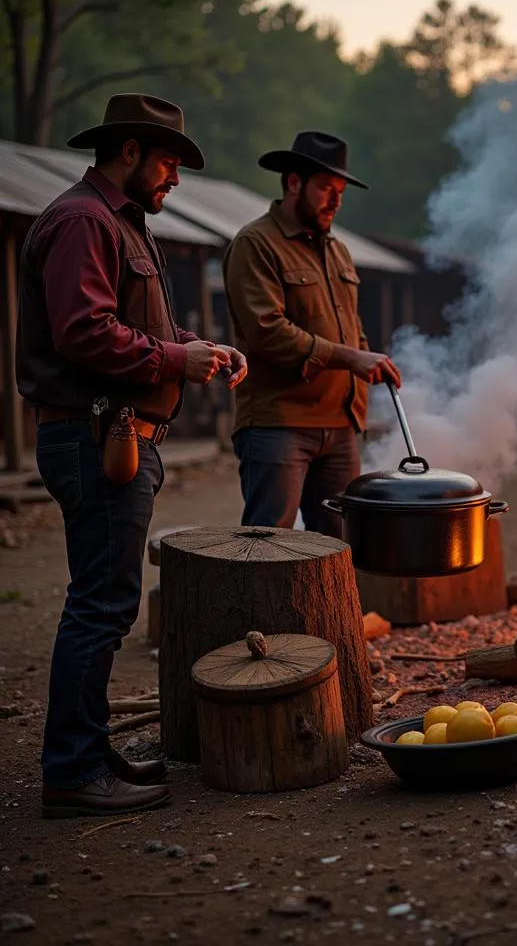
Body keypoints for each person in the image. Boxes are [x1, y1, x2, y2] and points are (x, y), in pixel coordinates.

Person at [16, 93, 248, 817]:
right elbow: (85, 332)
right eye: (169, 162)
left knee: (103, 602)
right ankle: (73, 771)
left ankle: (86, 753)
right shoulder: (86, 220)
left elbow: (135, 325)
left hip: (110, 433)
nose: (175, 178)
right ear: (129, 152)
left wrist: (200, 352)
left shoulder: (122, 225)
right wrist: (179, 358)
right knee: (100, 606)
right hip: (96, 435)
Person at [222, 131, 400, 536]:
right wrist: (352, 358)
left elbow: (352, 327)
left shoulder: (337, 249)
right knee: (270, 542)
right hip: (278, 423)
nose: (335, 201)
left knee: (337, 550)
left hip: (340, 426)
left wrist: (370, 359)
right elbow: (268, 331)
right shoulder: (256, 243)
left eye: (340, 191)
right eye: (325, 188)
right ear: (293, 183)